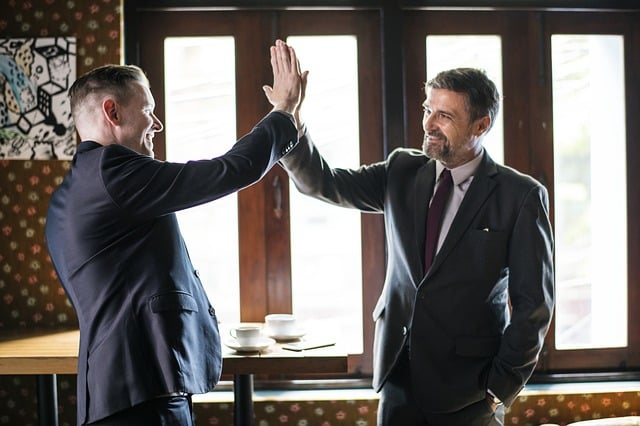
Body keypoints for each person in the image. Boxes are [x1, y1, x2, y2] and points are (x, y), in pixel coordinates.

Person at [274, 44, 554, 426]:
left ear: (481, 125)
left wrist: (498, 390)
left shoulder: (520, 196)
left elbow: (534, 306)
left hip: (471, 393)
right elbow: (324, 183)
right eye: (427, 110)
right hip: (397, 381)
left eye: (444, 115)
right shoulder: (401, 170)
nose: (428, 124)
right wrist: (288, 115)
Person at [45, 40, 302, 425]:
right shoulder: (114, 173)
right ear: (112, 112)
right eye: (148, 110)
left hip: (121, 391)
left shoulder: (72, 191)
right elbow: (229, 170)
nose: (157, 124)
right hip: (141, 394)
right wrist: (284, 111)